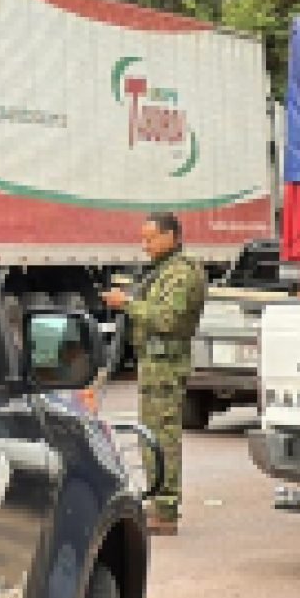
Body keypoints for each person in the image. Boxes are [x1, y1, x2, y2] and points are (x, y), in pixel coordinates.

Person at [101, 212, 207, 535]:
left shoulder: (183, 271)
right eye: (143, 239)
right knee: (151, 436)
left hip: (166, 366)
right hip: (155, 364)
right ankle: (158, 502)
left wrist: (127, 304)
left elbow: (167, 319)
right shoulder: (164, 270)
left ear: (171, 236)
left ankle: (166, 508)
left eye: (150, 238)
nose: (144, 245)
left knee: (162, 437)